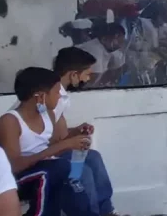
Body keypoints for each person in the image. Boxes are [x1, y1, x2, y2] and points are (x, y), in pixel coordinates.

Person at [0, 68, 94, 216]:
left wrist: (74, 136)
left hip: (46, 172)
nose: (60, 97)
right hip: (15, 180)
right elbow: (13, 167)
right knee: (51, 172)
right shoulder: (10, 121)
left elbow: (52, 149)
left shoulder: (48, 115)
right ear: (40, 97)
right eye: (56, 92)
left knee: (71, 178)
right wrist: (64, 145)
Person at [50, 48, 119, 216]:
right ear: (73, 74)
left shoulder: (60, 94)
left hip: (51, 151)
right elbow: (50, 141)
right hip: (39, 156)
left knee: (93, 157)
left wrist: (77, 131)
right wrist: (71, 142)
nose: (88, 78)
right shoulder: (52, 95)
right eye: (87, 74)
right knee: (82, 171)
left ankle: (106, 211)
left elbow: (58, 134)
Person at [75, 23, 125, 87]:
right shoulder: (94, 50)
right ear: (104, 39)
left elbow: (120, 64)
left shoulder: (108, 49)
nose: (120, 43)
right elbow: (92, 80)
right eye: (116, 38)